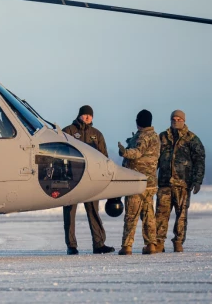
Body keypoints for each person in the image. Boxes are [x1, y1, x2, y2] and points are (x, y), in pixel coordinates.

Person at [62, 105, 115, 255]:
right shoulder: (68, 132)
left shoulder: (96, 135)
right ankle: (71, 246)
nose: (87, 117)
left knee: (93, 211)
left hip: (92, 180)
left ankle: (99, 244)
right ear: (79, 115)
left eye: (89, 116)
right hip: (72, 179)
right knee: (70, 213)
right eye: (84, 115)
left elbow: (104, 157)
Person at [155, 109, 205, 253]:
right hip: (164, 183)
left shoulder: (192, 139)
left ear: (184, 120)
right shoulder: (163, 137)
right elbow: (155, 159)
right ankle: (159, 242)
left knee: (181, 215)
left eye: (179, 119)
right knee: (160, 215)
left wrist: (197, 181)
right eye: (174, 119)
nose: (176, 121)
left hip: (183, 184)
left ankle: (178, 241)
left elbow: (199, 160)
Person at [117, 109, 160, 255]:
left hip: (137, 182)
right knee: (149, 215)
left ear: (139, 122)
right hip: (151, 182)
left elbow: (137, 153)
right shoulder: (155, 136)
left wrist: (125, 152)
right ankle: (151, 245)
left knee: (131, 214)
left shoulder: (143, 136)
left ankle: (127, 246)